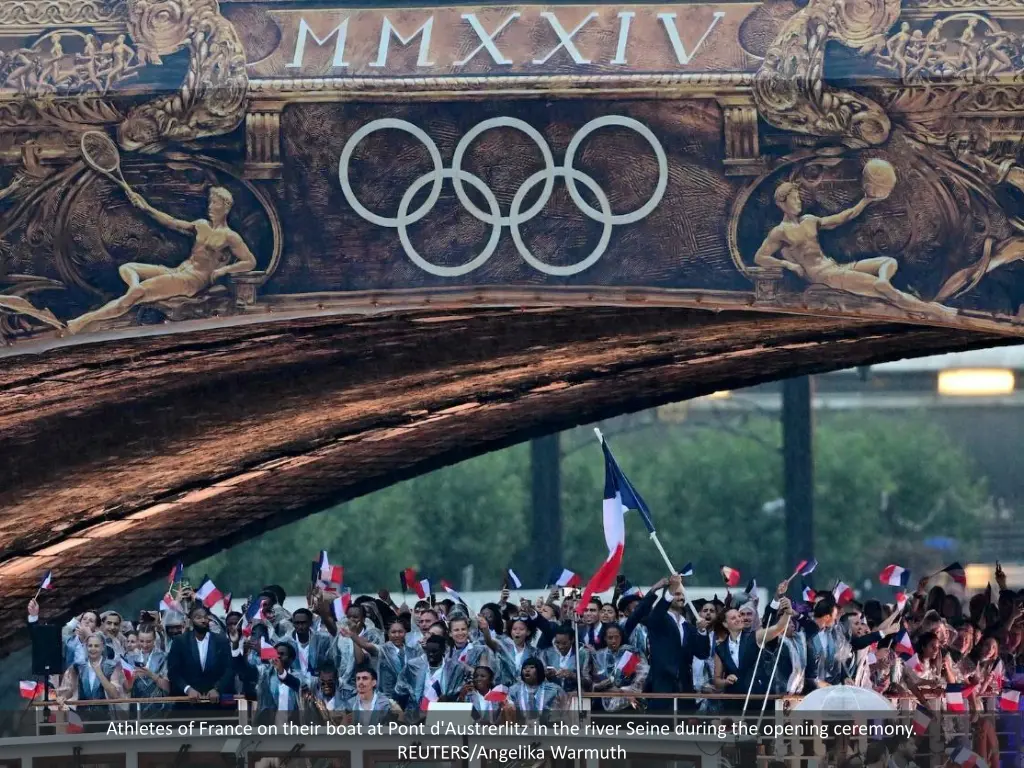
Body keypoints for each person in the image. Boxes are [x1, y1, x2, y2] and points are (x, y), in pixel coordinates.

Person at [753, 175, 956, 319]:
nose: (798, 202)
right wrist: (789, 265)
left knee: (888, 261)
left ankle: (885, 280)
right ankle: (934, 311)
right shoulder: (780, 232)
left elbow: (843, 217)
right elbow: (760, 257)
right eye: (793, 199)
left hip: (837, 268)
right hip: (824, 276)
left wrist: (865, 201)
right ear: (781, 203)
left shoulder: (809, 220)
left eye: (798, 198)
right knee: (882, 290)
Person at [66, 184, 257, 334]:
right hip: (178, 271)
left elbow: (250, 261)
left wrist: (223, 270)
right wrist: (146, 207)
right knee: (127, 268)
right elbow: (171, 222)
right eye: (210, 202)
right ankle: (134, 287)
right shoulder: (201, 225)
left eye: (214, 203)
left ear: (226, 207)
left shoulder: (231, 237)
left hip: (193, 280)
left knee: (136, 296)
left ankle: (83, 321)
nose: (210, 207)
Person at [644, 573, 711, 713]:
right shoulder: (659, 618)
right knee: (662, 727)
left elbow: (702, 653)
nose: (681, 597)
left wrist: (702, 632)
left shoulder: (689, 626)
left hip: (685, 686)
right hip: (662, 684)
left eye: (682, 594)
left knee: (683, 730)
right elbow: (653, 618)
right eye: (677, 593)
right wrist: (670, 591)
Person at [167, 605, 234, 706]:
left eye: (205, 617)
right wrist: (188, 689)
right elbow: (173, 672)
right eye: (198, 617)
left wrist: (217, 689)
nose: (203, 620)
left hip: (215, 703)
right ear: (191, 621)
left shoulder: (221, 640)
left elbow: (229, 669)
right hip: (188, 704)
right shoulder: (180, 641)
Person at [503, 658, 565, 724]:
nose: (527, 670)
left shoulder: (553, 689)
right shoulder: (514, 690)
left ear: (539, 670)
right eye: (524, 668)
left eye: (532, 667)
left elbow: (562, 710)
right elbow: (510, 712)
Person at [126, 626, 169, 715]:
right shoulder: (129, 658)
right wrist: (133, 676)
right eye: (141, 641)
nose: (145, 645)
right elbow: (126, 688)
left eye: (149, 641)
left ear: (154, 640)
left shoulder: (163, 657)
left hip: (158, 709)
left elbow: (167, 687)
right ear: (138, 640)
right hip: (136, 708)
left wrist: (151, 674)